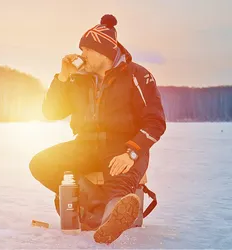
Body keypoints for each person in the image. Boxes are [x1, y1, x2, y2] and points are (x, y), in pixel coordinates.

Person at [29, 14, 166, 244]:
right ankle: (99, 210)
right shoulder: (78, 79)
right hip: (86, 144)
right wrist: (62, 77)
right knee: (41, 164)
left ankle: (113, 215)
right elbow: (51, 112)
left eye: (86, 50)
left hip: (123, 146)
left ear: (103, 51)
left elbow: (155, 122)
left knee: (119, 186)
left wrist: (132, 152)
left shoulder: (137, 75)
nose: (81, 55)